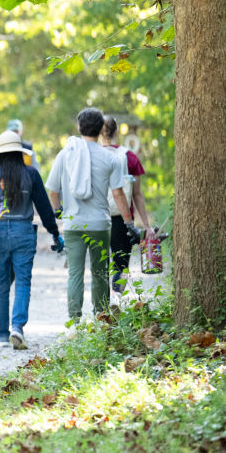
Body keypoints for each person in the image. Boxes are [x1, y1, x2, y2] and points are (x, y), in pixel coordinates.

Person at [0, 131, 62, 350]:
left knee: (0, 283)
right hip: (23, 231)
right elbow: (44, 208)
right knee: (23, 281)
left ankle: (2, 336)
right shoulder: (31, 174)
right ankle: (17, 328)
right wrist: (54, 233)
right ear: (20, 152)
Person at [45, 108, 136, 323]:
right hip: (99, 224)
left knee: (75, 274)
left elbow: (53, 191)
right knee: (100, 274)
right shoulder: (109, 158)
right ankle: (101, 319)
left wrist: (59, 211)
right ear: (101, 129)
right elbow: (118, 193)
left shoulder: (65, 154)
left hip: (73, 224)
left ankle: (74, 323)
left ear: (79, 127)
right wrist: (129, 222)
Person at [100, 115, 152, 293]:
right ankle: (117, 303)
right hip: (122, 218)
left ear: (99, 132)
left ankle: (102, 309)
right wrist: (146, 225)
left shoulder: (93, 156)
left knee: (99, 267)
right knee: (121, 266)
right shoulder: (129, 157)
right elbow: (137, 194)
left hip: (96, 216)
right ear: (116, 131)